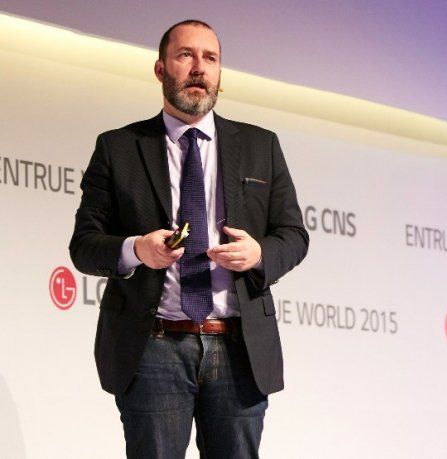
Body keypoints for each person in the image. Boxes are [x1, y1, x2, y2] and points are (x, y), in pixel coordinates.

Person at [69, 19, 309, 458]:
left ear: (219, 72)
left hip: (239, 348)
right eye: (186, 55)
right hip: (153, 346)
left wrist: (258, 253)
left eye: (210, 58)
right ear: (160, 69)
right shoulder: (119, 148)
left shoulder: (261, 146)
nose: (199, 68)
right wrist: (137, 249)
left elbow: (293, 235)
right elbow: (84, 245)